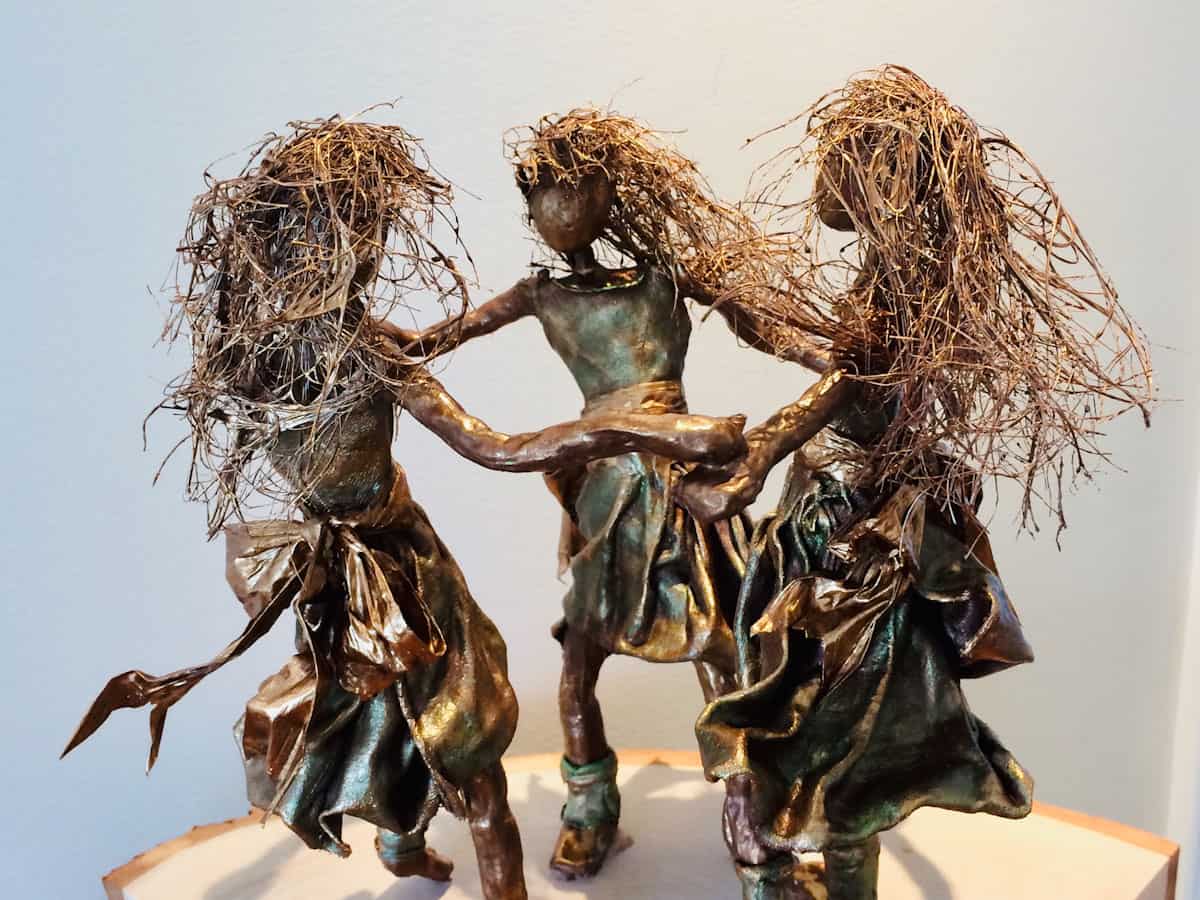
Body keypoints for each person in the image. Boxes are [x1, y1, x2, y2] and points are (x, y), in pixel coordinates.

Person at [62, 115, 747, 900]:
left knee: (431, 725)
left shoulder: (254, 358)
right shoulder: (347, 353)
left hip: (343, 567)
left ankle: (419, 841)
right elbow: (496, 446)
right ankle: (418, 837)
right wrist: (643, 428)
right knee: (445, 735)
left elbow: (475, 418)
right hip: (374, 572)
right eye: (364, 237)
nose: (371, 254)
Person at [678, 67, 1154, 900]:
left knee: (832, 728)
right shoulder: (909, 283)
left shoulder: (899, 297)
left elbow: (839, 382)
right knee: (821, 718)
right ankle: (796, 861)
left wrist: (757, 456)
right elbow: (839, 364)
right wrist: (740, 311)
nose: (822, 178)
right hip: (857, 516)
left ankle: (812, 867)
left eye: (839, 162)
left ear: (884, 180)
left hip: (856, 537)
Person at [390, 108, 829, 878]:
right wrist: (368, 341)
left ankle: (747, 803)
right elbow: (434, 340)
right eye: (544, 199)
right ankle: (590, 805)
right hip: (604, 494)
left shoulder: (665, 276)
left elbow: (760, 324)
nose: (558, 212)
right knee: (579, 665)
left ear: (603, 190)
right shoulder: (540, 294)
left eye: (571, 191)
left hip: (685, 486)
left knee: (720, 647)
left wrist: (831, 354)